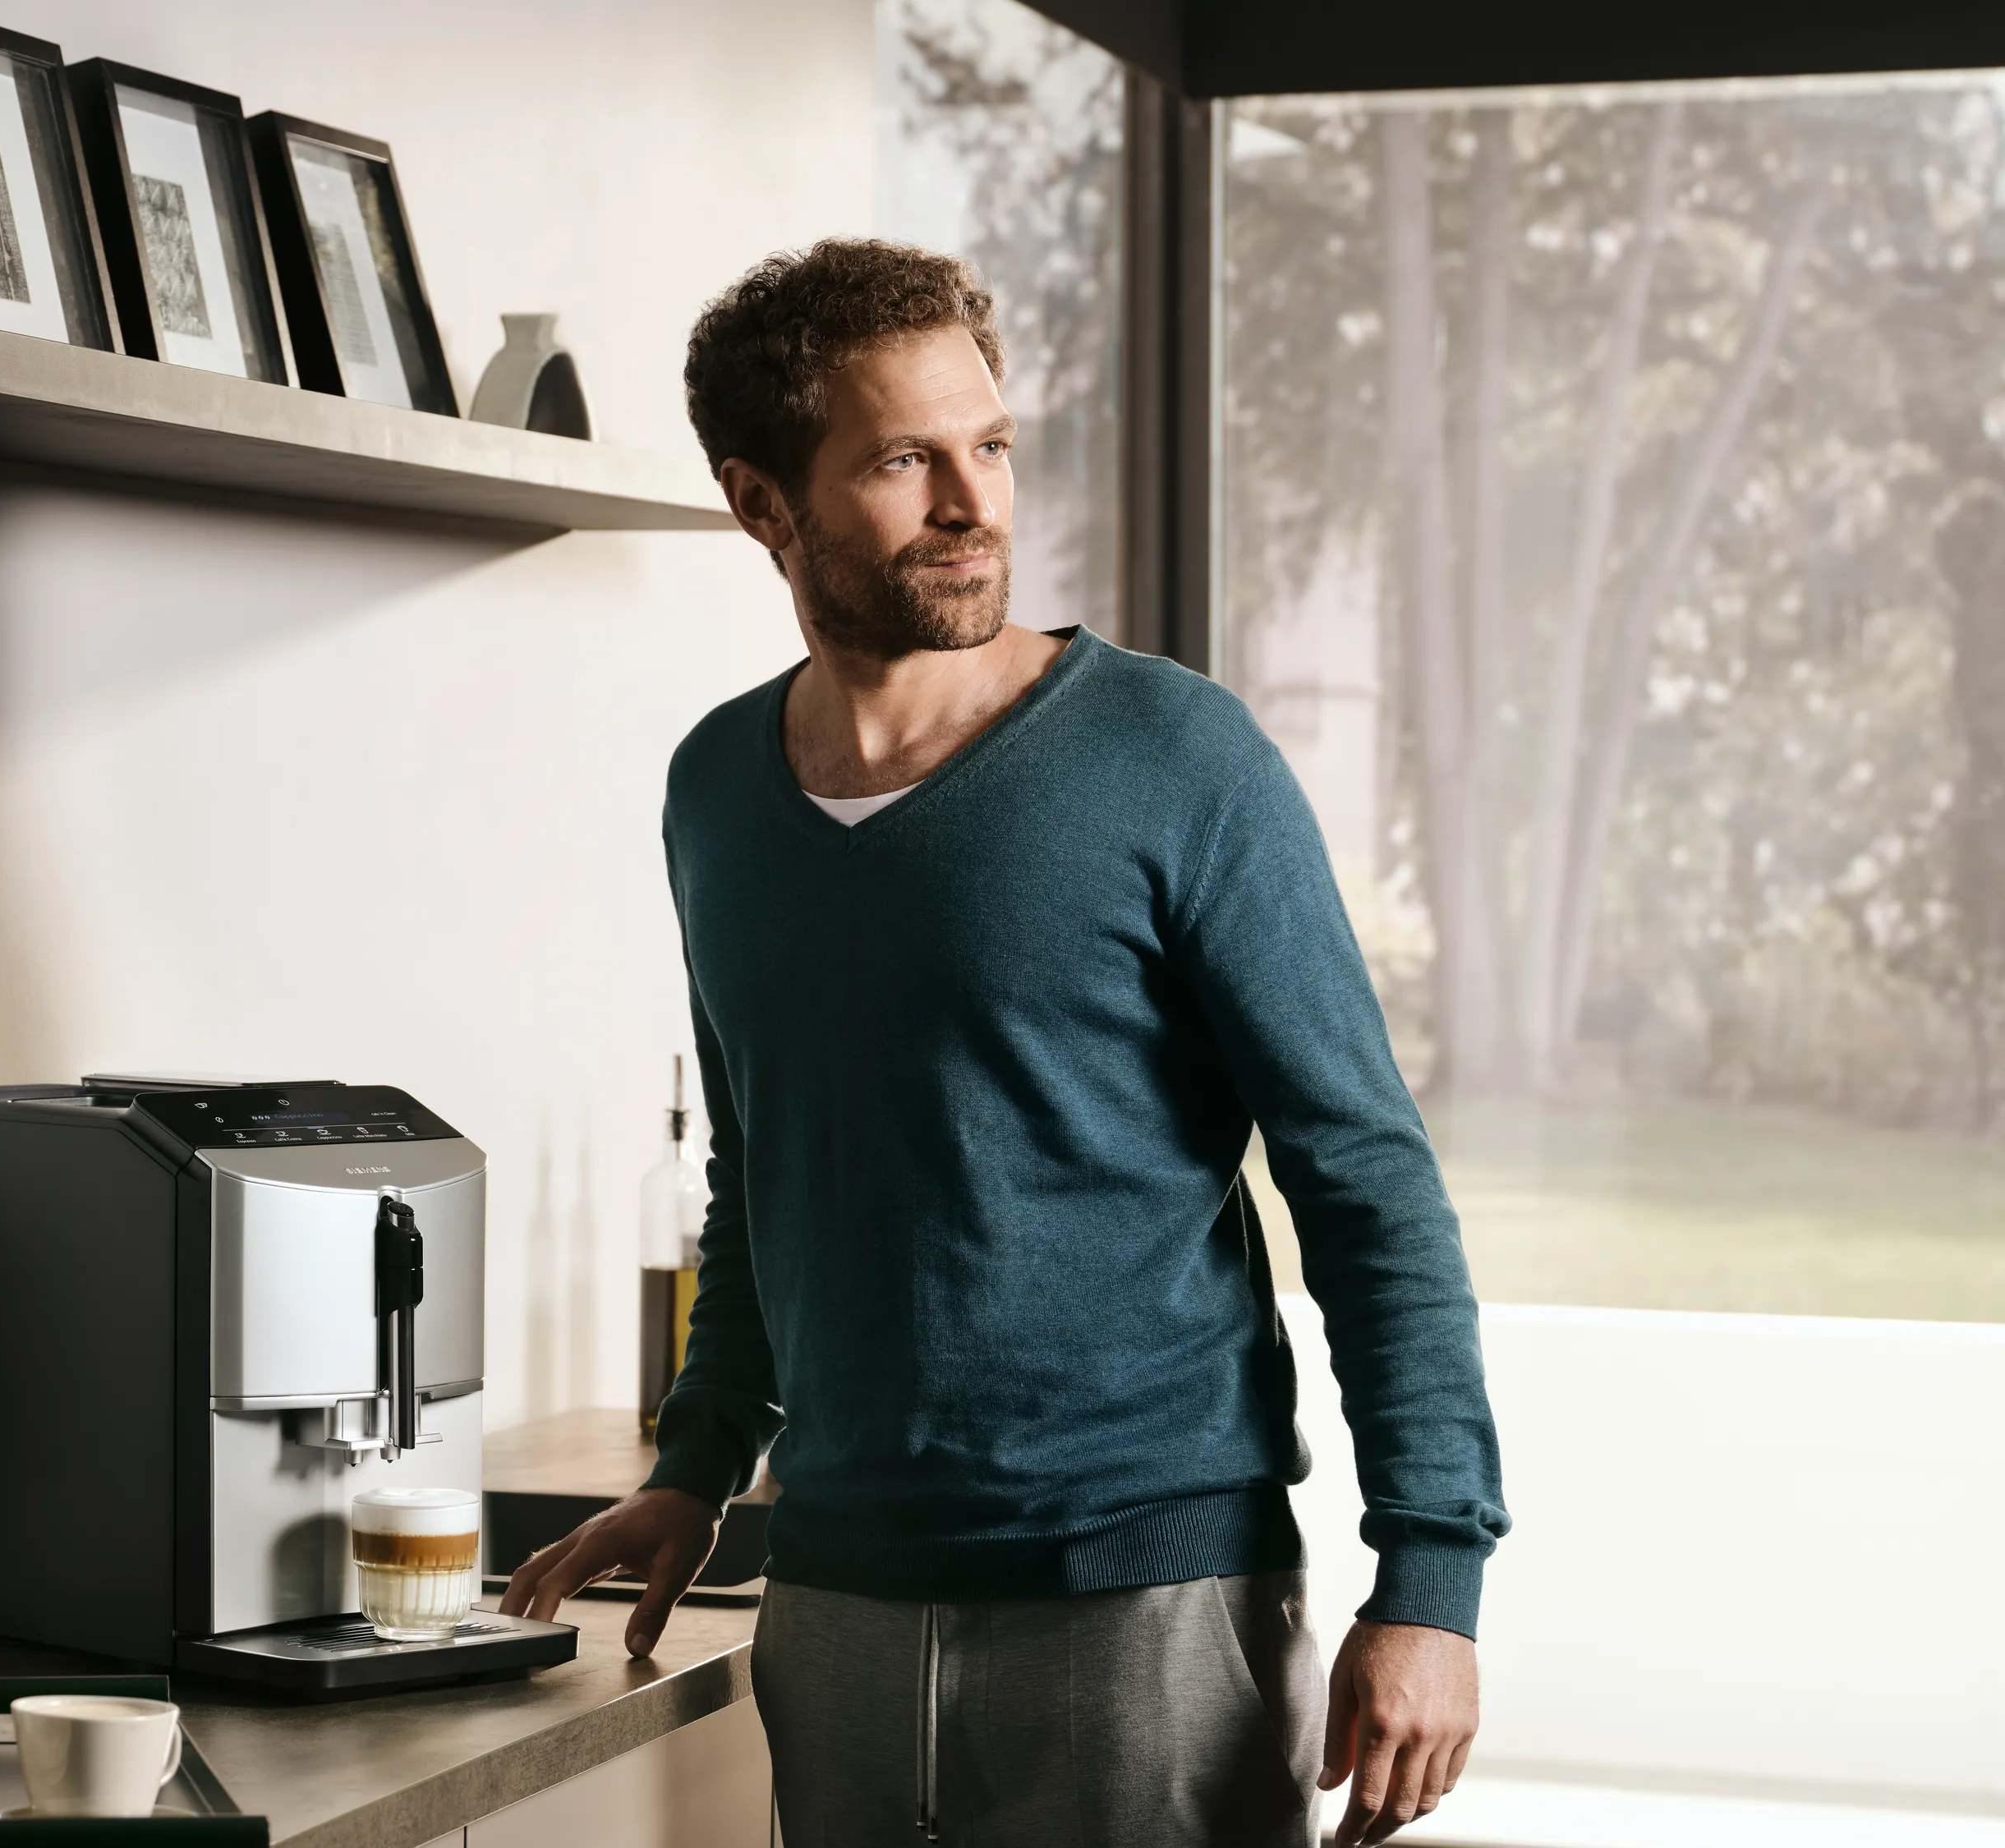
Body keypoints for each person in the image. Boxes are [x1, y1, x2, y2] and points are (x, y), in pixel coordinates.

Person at [499, 240, 1509, 1848]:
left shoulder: (1172, 755)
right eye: (904, 459)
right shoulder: (714, 792)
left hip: (1142, 1598)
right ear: (762, 505)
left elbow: (1358, 1172)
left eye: (989, 445)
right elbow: (765, 1164)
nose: (973, 502)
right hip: (827, 1603)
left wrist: (1431, 1581)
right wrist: (696, 1464)